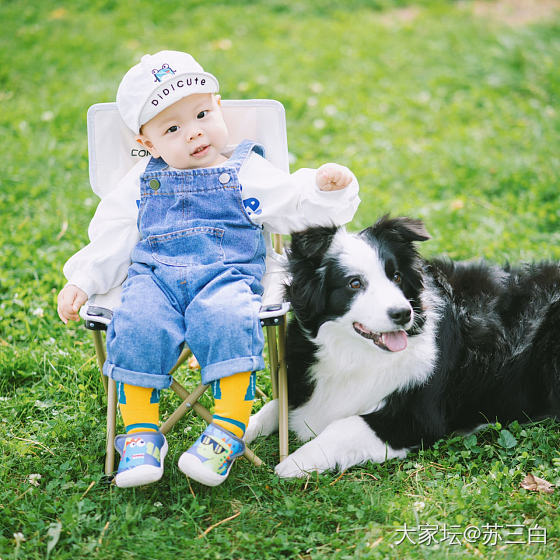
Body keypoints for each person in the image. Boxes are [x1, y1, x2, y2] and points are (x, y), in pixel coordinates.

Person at [57, 50, 360, 488]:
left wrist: (324, 190)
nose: (194, 132)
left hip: (226, 276)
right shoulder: (140, 181)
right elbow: (114, 234)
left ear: (218, 107)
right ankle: (141, 434)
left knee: (228, 320)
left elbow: (293, 205)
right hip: (154, 278)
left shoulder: (246, 170)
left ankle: (227, 431)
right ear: (147, 143)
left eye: (201, 114)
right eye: (173, 128)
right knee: (138, 323)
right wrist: (83, 279)